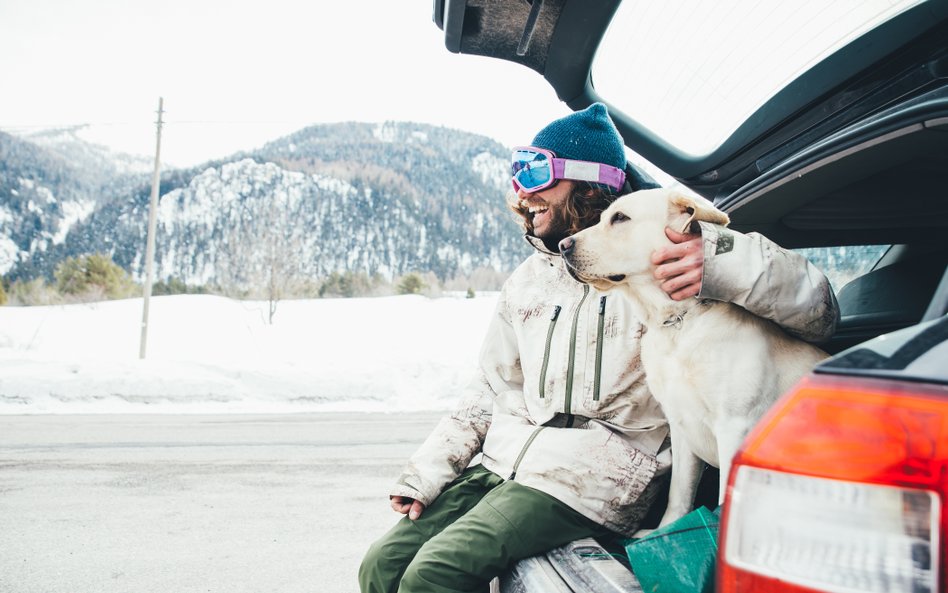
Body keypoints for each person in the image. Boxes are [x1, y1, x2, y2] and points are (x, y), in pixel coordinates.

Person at [358, 103, 838, 593]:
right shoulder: (528, 281)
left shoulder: (660, 261)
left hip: (594, 475)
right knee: (381, 566)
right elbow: (490, 387)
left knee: (434, 575)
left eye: (537, 171)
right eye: (518, 172)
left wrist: (715, 259)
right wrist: (429, 472)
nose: (522, 190)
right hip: (510, 461)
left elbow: (816, 312)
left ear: (588, 182)